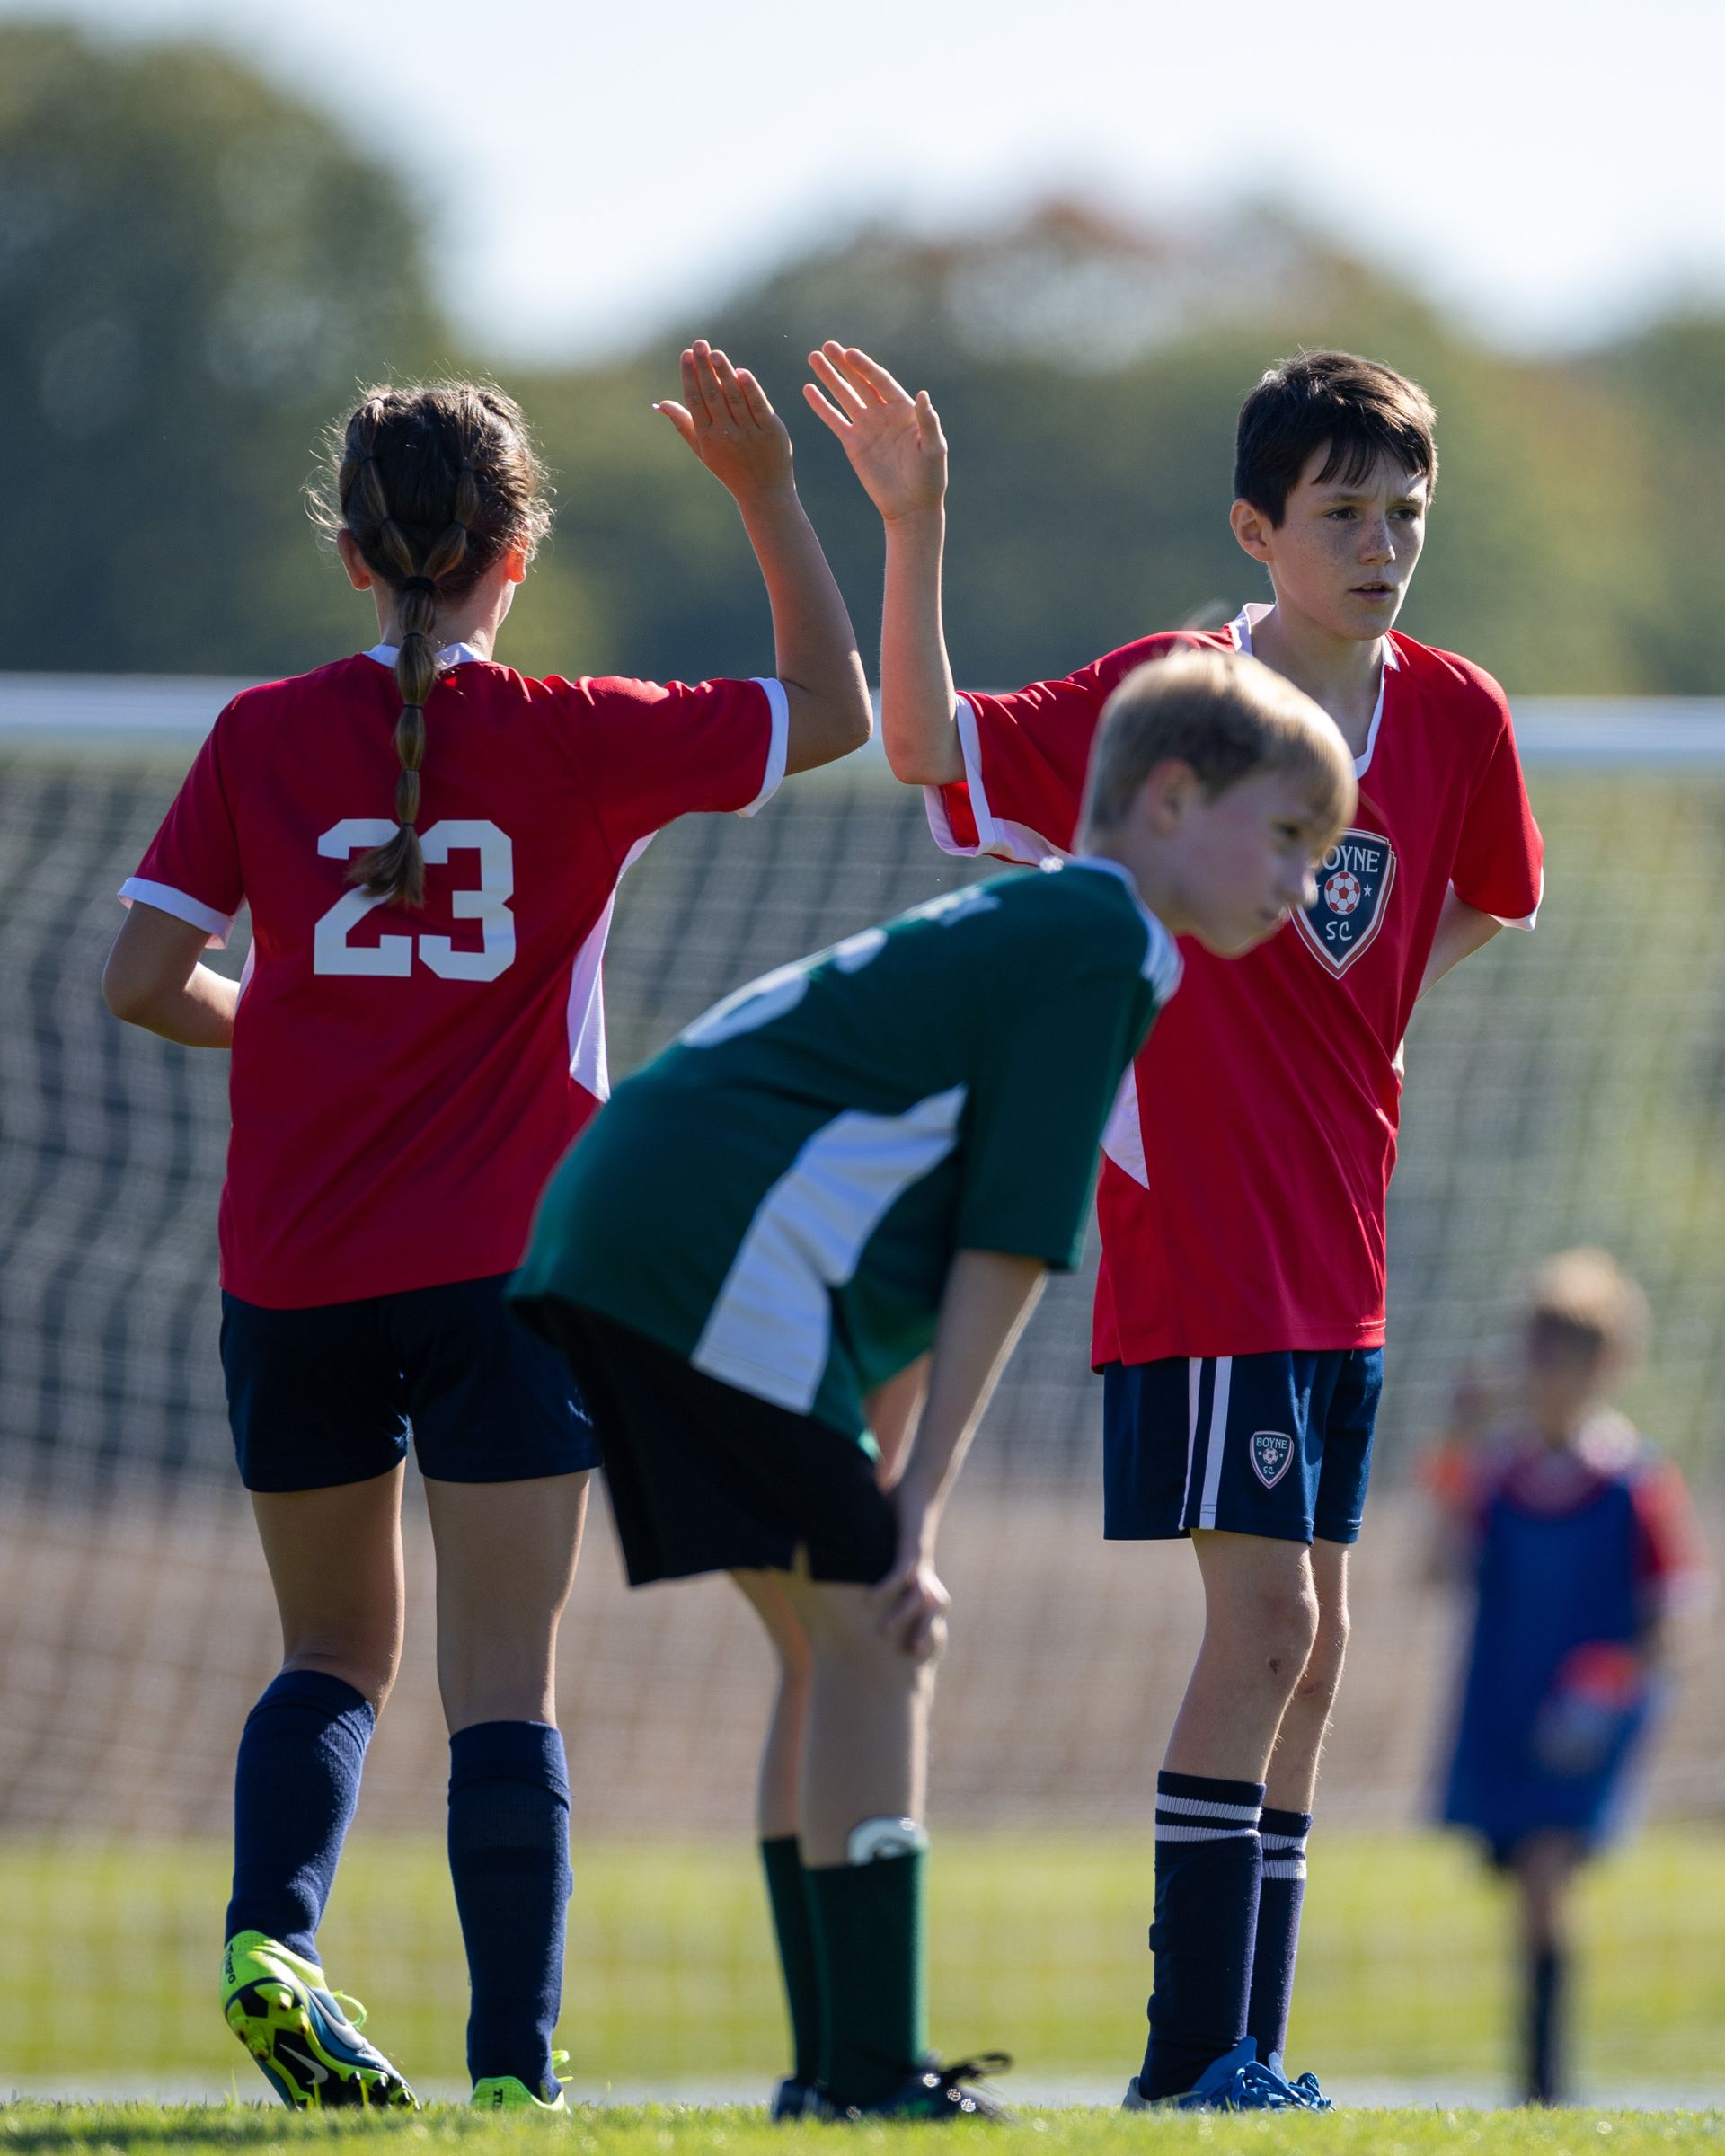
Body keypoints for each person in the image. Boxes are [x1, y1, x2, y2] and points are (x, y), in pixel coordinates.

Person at [100, 349, 872, 2112]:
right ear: (515, 552)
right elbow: (829, 708)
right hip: (511, 1276)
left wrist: (289, 1018)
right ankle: (514, 2079)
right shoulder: (580, 737)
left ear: (354, 555)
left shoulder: (259, 736)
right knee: (502, 1680)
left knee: (326, 1658)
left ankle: (273, 1936)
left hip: (290, 1269)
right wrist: (763, 490)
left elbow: (144, 978)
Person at [803, 342, 1545, 2110]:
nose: (1383, 543)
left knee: (1323, 1649)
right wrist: (915, 526)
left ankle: (1248, 2060)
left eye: (1404, 512)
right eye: (1344, 512)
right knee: (1268, 1631)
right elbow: (928, 748)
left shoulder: (1458, 712)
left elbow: (1488, 902)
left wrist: (1358, 1042)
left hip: (1335, 1241)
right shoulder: (1173, 701)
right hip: (1200, 1230)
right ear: (1254, 526)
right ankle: (1188, 2060)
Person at [511, 647, 1357, 2122]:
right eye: (1289, 836)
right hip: (704, 1250)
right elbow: (1007, 1243)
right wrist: (916, 1510)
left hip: (631, 1232)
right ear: (1168, 799)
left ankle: (832, 2072)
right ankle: (869, 2075)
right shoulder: (1105, 942)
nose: (1305, 881)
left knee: (831, 1648)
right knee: (881, 1638)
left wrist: (885, 1481)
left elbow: (898, 1228)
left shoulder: (1052, 924)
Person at [1425, 1249, 1705, 2107]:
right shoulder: (1496, 1473)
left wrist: (1603, 1696)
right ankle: (1539, 2084)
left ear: (1606, 1365)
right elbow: (1438, 1567)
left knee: (1548, 1882)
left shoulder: (1635, 1481)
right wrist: (1454, 1445)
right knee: (1525, 1891)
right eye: (1539, 1348)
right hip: (1502, 1707)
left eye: (1573, 1353)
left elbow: (1668, 1621)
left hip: (1580, 1726)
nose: (1550, 1370)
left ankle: (1544, 2088)